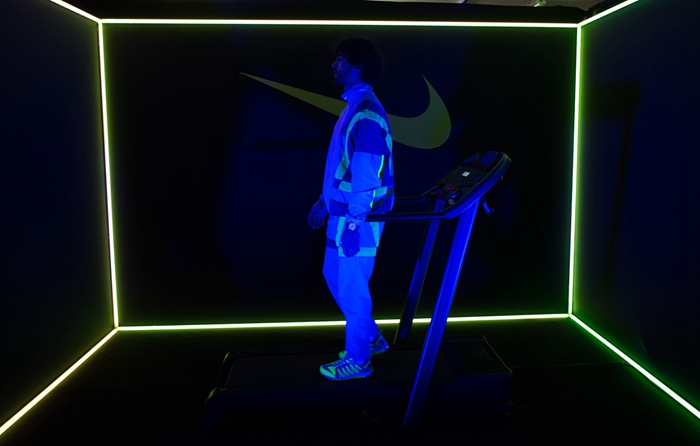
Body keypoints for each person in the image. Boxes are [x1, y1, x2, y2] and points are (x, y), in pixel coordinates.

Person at [307, 37, 395, 381]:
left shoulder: (367, 113)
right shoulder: (354, 107)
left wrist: (356, 225)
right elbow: (342, 166)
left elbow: (366, 177)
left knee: (352, 286)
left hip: (356, 220)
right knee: (336, 277)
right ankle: (370, 338)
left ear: (358, 65)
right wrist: (324, 201)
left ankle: (359, 360)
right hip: (343, 214)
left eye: (341, 60)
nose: (334, 65)